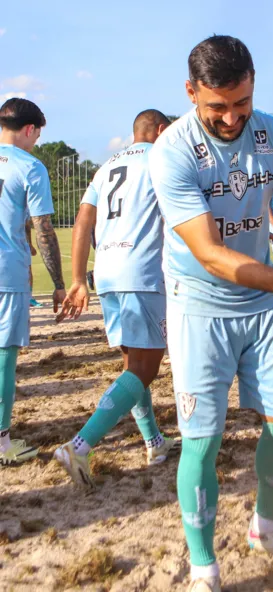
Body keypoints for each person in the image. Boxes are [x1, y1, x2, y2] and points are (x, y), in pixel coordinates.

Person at [147, 35, 273, 592]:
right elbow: (208, 252)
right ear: (190, 92)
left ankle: (267, 528)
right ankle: (204, 565)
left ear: (253, 84)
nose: (231, 118)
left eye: (241, 103)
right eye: (217, 107)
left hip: (260, 304)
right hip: (198, 306)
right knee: (202, 441)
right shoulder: (173, 151)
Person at [53, 109, 179, 488]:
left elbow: (83, 220)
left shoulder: (106, 165)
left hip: (106, 270)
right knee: (145, 368)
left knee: (132, 363)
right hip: (141, 272)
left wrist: (78, 278)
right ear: (159, 130)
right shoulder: (162, 156)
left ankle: (154, 442)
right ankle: (79, 445)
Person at [0, 98, 66, 465]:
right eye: (38, 135)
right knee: (4, 356)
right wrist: (58, 282)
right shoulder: (31, 166)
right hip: (6, 270)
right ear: (29, 129)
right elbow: (43, 228)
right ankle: (2, 442)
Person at [25, 216, 43, 307]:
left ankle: (29, 297)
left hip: (21, 244)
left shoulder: (24, 206)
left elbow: (27, 226)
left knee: (28, 270)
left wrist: (30, 244)